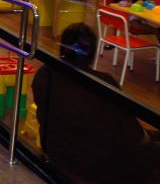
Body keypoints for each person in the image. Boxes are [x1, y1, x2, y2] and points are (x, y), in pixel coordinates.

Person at [32, 23, 160, 183]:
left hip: (57, 150)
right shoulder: (103, 83)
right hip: (98, 164)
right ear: (92, 52)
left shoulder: (45, 73)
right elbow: (132, 135)